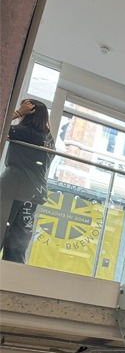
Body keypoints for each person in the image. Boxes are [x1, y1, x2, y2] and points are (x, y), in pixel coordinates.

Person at [0, 99, 54, 263]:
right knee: (18, 239)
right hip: (33, 192)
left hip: (13, 186)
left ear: (28, 112)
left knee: (2, 227)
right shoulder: (49, 139)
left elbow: (2, 127)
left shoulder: (23, 132)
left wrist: (17, 113)